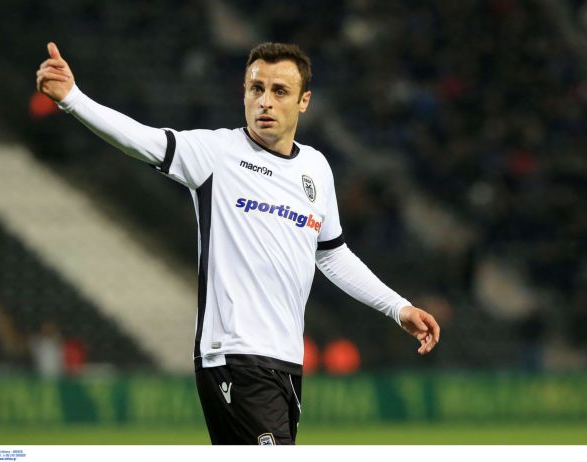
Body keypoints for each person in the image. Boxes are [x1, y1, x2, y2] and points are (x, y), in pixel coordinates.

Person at [36, 41, 440, 444]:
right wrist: (73, 98)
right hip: (234, 356)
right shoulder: (216, 153)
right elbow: (141, 139)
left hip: (286, 361)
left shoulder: (315, 168)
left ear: (304, 101)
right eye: (256, 88)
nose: (265, 101)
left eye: (279, 91)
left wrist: (397, 307)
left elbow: (332, 255)